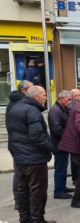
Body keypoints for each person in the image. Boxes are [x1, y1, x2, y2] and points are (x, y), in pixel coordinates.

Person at [8, 86, 56, 223]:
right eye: (44, 95)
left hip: (20, 157)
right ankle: (37, 220)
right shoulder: (32, 110)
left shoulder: (15, 108)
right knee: (37, 192)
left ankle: (25, 219)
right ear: (36, 97)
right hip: (34, 159)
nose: (46, 98)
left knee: (22, 189)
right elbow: (37, 137)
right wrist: (51, 148)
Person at [5, 80, 33, 210]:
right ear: (24, 90)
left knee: (22, 173)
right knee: (19, 174)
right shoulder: (17, 104)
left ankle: (23, 199)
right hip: (17, 144)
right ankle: (19, 201)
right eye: (31, 89)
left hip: (18, 143)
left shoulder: (19, 102)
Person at [48, 90, 75, 200]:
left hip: (64, 143)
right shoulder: (55, 110)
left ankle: (62, 187)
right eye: (68, 99)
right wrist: (70, 135)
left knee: (64, 167)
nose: (70, 101)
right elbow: (56, 129)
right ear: (61, 98)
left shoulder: (64, 109)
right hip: (58, 144)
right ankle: (58, 191)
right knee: (60, 168)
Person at [69, 88, 80, 185]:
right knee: (75, 161)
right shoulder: (74, 106)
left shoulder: (76, 105)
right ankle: (76, 179)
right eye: (79, 95)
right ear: (74, 97)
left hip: (74, 137)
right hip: (74, 137)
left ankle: (76, 178)